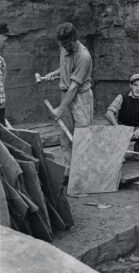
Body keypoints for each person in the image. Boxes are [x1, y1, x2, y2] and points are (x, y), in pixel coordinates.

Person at [45, 22, 94, 182]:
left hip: (81, 98)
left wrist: (60, 108)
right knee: (65, 137)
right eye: (62, 45)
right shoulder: (64, 47)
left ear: (75, 39)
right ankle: (69, 171)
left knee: (82, 136)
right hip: (66, 95)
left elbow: (74, 86)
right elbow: (66, 67)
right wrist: (55, 73)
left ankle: (83, 175)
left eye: (67, 44)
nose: (65, 47)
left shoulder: (83, 56)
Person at [105, 73, 139, 157]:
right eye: (135, 85)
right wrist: (117, 127)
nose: (138, 88)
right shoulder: (122, 97)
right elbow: (108, 113)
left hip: (138, 129)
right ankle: (119, 152)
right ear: (131, 85)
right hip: (123, 127)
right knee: (119, 158)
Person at [0, 23, 9, 126]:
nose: (5, 44)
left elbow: (5, 69)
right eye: (4, 40)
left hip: (1, 107)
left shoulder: (1, 59)